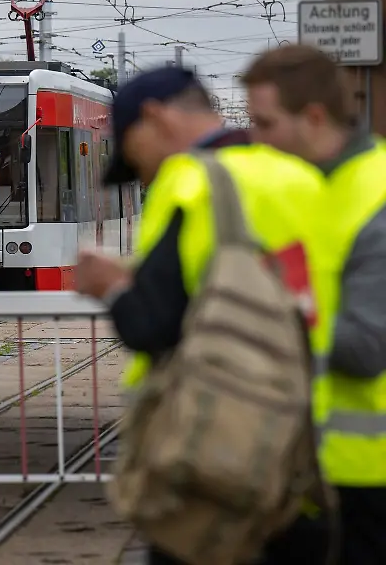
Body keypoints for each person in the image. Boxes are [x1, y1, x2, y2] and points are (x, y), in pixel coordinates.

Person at [74, 66, 329, 564]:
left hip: (218, 447)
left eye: (133, 157)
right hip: (303, 446)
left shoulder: (189, 182)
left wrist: (112, 286)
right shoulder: (301, 177)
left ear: (154, 118)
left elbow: (150, 326)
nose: (142, 175)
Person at [242, 44, 386, 565]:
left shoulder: (376, 195)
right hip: (293, 467)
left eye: (265, 123)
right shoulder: (294, 187)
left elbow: (369, 348)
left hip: (365, 480)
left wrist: (267, 306)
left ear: (315, 118)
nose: (255, 140)